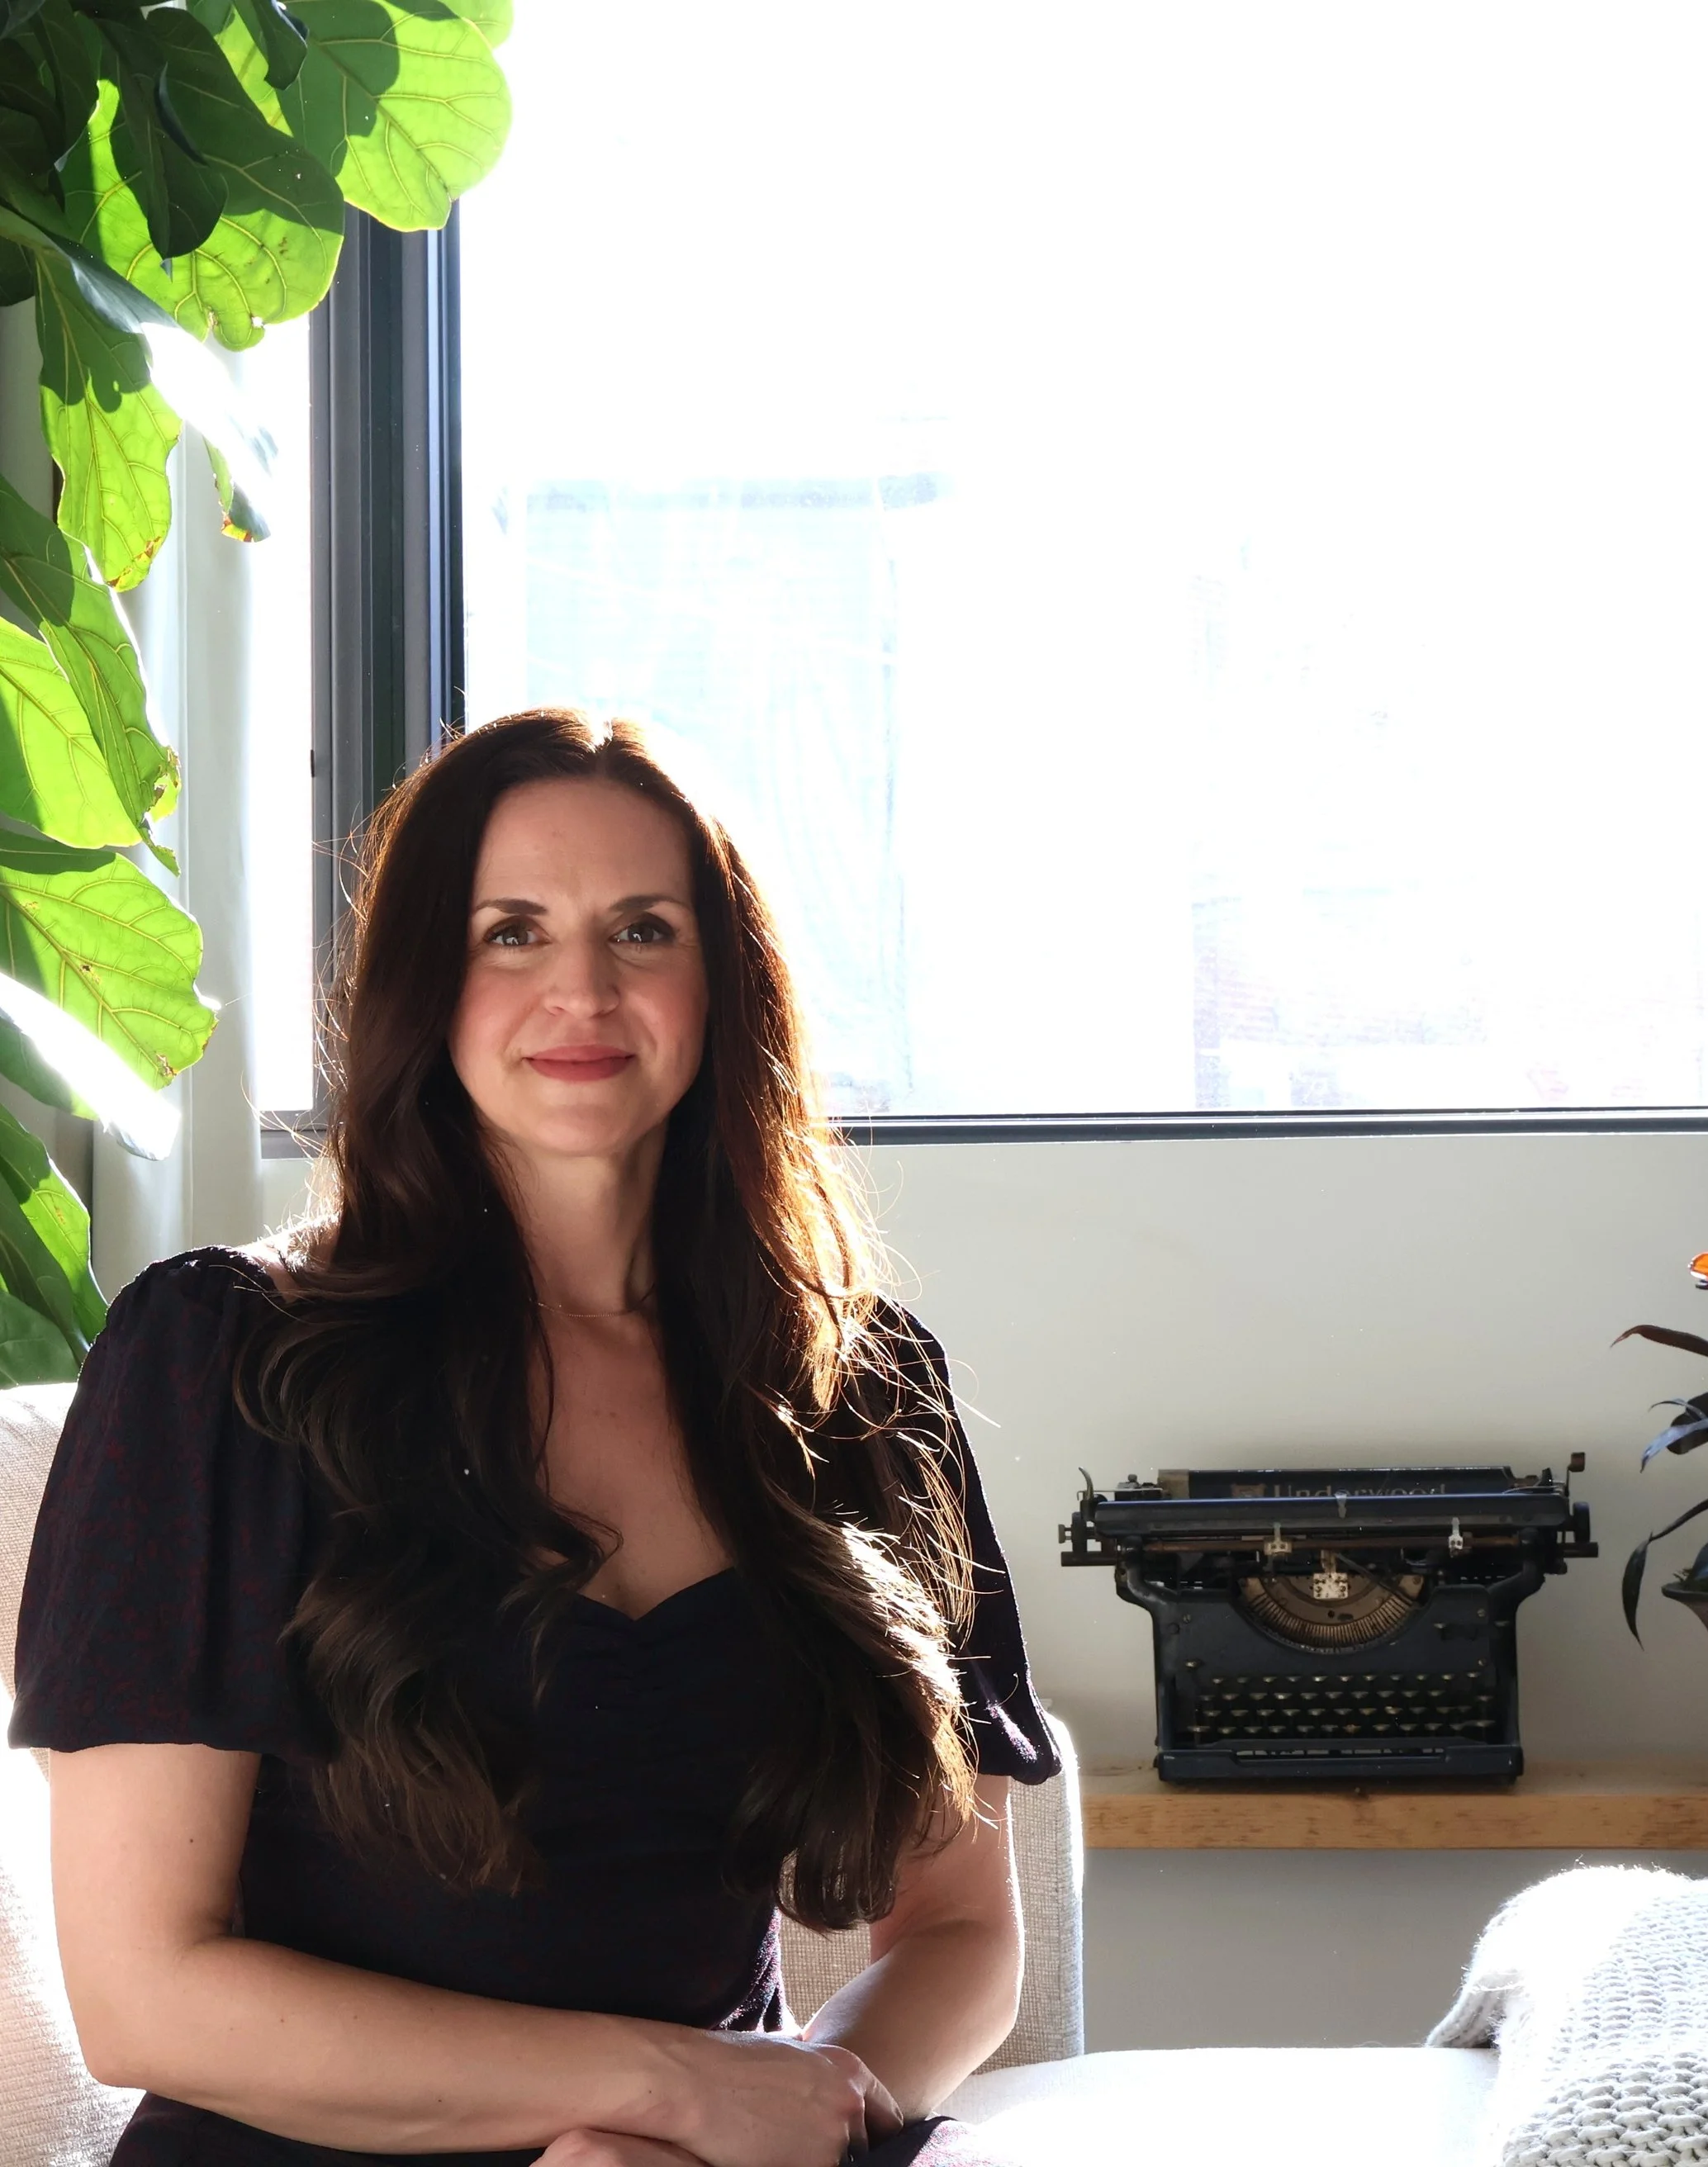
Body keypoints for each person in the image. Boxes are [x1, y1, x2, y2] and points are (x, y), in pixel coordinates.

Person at [11, 709, 1058, 2166]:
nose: (583, 988)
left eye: (644, 930)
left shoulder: (864, 1384)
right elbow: (145, 1997)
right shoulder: (223, 1359)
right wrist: (665, 2089)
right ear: (426, 985)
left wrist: (775, 2119)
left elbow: (959, 1929)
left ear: (723, 986)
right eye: (512, 933)